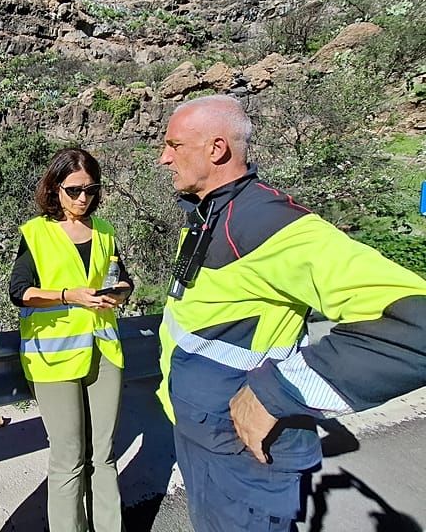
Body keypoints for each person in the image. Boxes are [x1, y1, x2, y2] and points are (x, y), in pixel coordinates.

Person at [156, 94, 426, 531]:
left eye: (174, 145)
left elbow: (417, 323)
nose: (163, 158)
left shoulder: (269, 224)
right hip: (207, 435)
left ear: (217, 149)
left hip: (244, 451)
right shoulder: (213, 213)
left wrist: (276, 392)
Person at [8, 147, 133, 532]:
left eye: (91, 189)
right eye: (74, 190)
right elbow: (19, 292)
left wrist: (120, 293)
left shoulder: (105, 231)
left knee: (104, 454)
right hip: (53, 358)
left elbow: (122, 279)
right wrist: (67, 295)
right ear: (55, 189)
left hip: (103, 350)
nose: (83, 198)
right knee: (68, 457)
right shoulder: (36, 233)